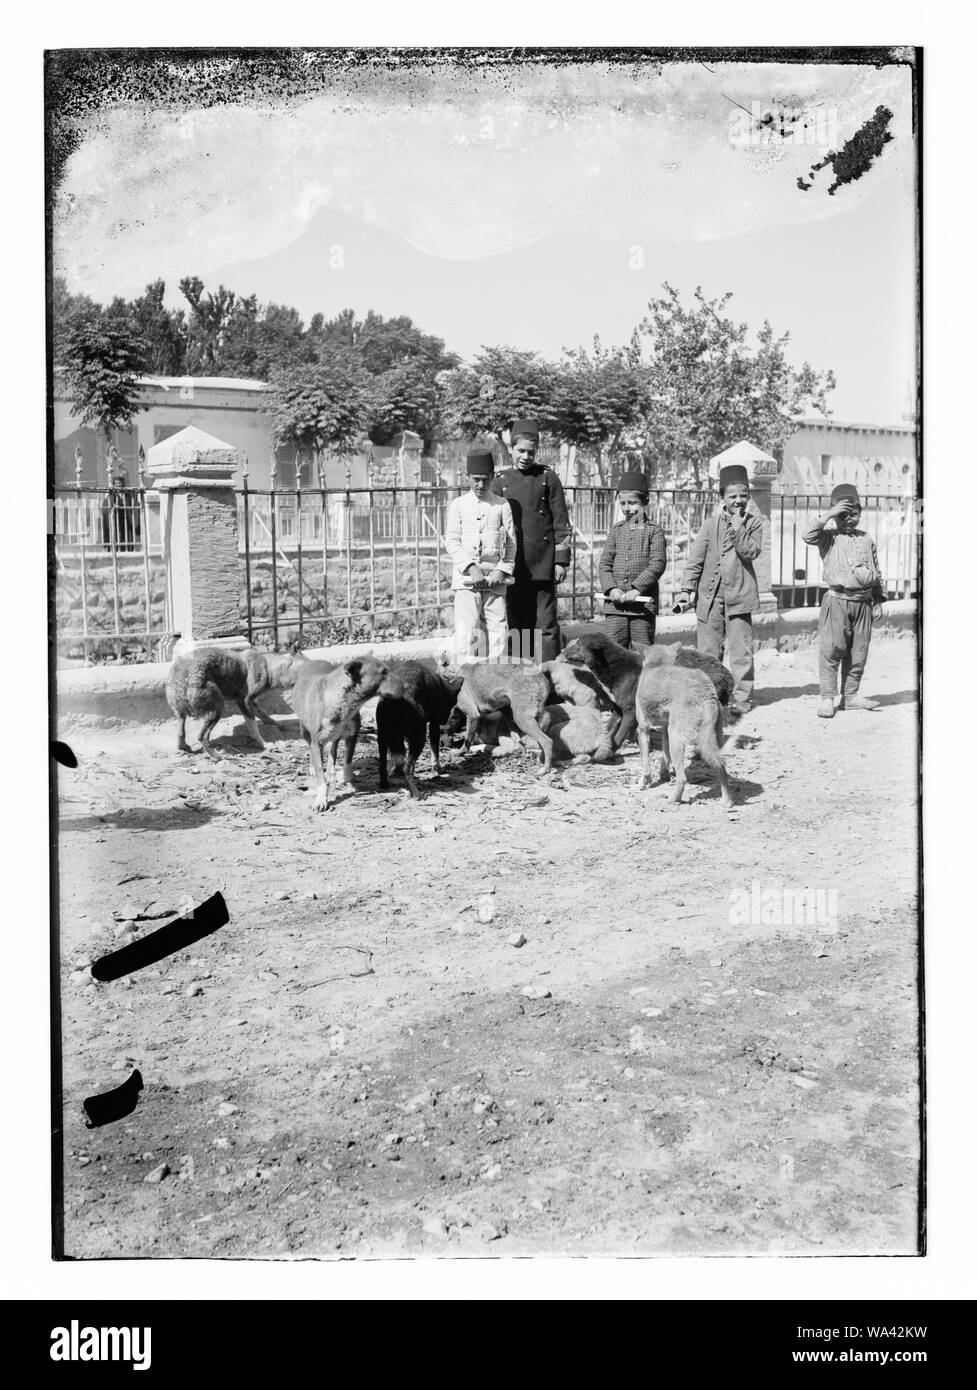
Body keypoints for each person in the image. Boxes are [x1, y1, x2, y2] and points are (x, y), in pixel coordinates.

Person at [676, 461, 763, 715]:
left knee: (741, 651)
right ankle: (709, 695)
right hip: (710, 598)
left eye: (743, 496)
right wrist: (686, 589)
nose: (738, 501)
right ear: (722, 497)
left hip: (740, 597)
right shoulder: (709, 525)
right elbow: (695, 560)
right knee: (708, 651)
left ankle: (742, 698)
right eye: (733, 496)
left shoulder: (754, 524)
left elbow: (751, 552)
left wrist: (738, 529)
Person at [490, 418, 572, 663]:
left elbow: (561, 522)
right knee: (518, 624)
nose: (525, 456)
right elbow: (492, 524)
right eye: (520, 451)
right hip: (514, 566)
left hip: (543, 565)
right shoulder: (501, 481)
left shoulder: (548, 478)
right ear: (511, 450)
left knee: (546, 624)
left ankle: (551, 676)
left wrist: (560, 562)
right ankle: (521, 677)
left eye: (531, 452)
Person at [802, 483, 886, 717]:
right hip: (836, 601)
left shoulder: (866, 539)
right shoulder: (828, 538)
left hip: (863, 604)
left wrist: (878, 598)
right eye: (843, 514)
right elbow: (807, 535)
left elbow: (876, 570)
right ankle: (827, 698)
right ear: (835, 515)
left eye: (854, 513)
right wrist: (828, 515)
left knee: (858, 652)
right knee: (832, 650)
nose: (849, 519)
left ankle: (850, 697)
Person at [445, 447, 517, 663]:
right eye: (476, 479)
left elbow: (512, 543)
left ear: (493, 476)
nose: (481, 485)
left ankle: (493, 676)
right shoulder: (458, 505)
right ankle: (462, 679)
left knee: (498, 630)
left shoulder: (502, 505)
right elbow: (452, 541)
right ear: (468, 476)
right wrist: (471, 567)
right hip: (466, 581)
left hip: (495, 581)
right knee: (466, 631)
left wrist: (501, 570)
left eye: (485, 479)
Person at [598, 470, 667, 650]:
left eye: (632, 503)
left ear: (645, 503)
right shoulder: (616, 530)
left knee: (642, 654)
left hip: (642, 607)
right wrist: (611, 588)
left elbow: (657, 564)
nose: (627, 508)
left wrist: (637, 589)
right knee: (614, 653)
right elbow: (605, 563)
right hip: (616, 606)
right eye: (623, 503)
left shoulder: (654, 531)